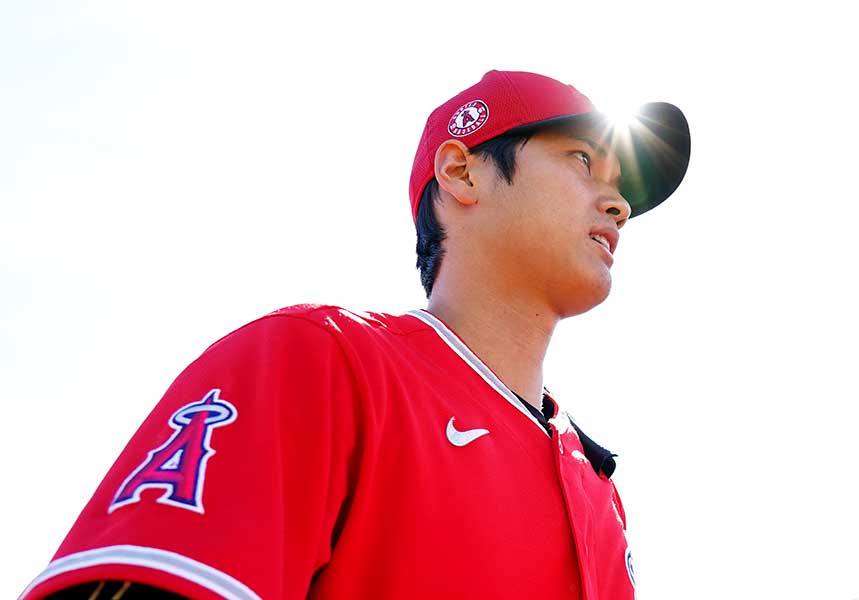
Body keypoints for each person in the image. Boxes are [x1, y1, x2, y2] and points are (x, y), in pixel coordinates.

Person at [20, 69, 690, 600]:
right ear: (461, 171)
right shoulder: (314, 360)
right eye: (582, 160)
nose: (618, 203)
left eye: (622, 187)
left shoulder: (600, 488)